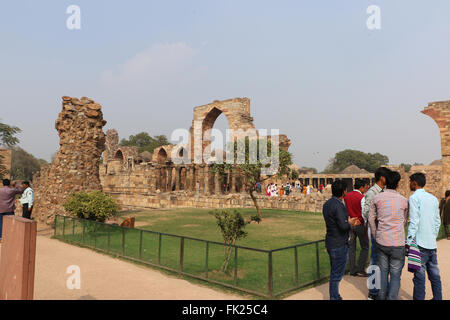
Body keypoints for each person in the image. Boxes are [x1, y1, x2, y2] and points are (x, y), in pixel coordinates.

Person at [368, 170, 408, 300]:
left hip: (382, 241)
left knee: (383, 273)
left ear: (385, 182)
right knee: (395, 275)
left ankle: (381, 297)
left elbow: (371, 219)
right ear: (397, 184)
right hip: (397, 242)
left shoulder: (377, 198)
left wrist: (375, 234)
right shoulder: (403, 201)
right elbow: (405, 220)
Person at [323, 180, 361, 300]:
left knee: (335, 272)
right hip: (338, 243)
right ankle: (334, 297)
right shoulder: (338, 205)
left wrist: (347, 222)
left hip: (331, 241)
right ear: (344, 191)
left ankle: (335, 295)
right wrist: (350, 223)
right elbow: (343, 226)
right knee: (336, 274)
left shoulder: (328, 204)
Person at [407, 173, 442, 300]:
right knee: (434, 275)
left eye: (410, 181)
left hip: (419, 244)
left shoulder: (414, 198)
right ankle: (438, 297)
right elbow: (438, 221)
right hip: (431, 243)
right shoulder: (433, 198)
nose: (409, 184)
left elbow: (414, 221)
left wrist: (409, 241)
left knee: (419, 277)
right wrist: (433, 236)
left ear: (415, 182)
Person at [362, 166, 391, 300]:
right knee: (374, 260)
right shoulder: (372, 192)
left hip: (384, 231)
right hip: (376, 231)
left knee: (384, 261)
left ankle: (383, 288)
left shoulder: (384, 191)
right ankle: (373, 292)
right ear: (382, 178)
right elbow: (366, 213)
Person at [344, 179, 370, 277]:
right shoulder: (361, 197)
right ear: (361, 187)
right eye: (365, 187)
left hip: (350, 223)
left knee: (352, 247)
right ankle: (360, 268)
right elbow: (364, 212)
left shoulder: (346, 197)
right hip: (359, 223)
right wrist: (365, 223)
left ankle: (352, 269)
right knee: (365, 246)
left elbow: (345, 210)